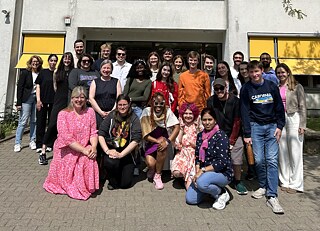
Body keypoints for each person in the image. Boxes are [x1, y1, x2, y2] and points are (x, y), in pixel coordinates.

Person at [240, 60, 285, 214]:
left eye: (257, 71)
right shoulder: (246, 88)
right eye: (251, 72)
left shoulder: (271, 86)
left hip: (272, 126)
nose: (254, 75)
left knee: (272, 160)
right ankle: (263, 185)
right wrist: (247, 134)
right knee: (259, 160)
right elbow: (244, 111)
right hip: (255, 127)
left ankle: (272, 195)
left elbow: (279, 106)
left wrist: (280, 126)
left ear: (261, 71)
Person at [43, 86, 99, 200]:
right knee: (83, 157)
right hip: (66, 148)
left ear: (86, 99)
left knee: (89, 158)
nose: (79, 100)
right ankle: (75, 186)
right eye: (76, 97)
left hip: (84, 145)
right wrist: (83, 150)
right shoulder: (63, 114)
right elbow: (66, 138)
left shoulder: (90, 112)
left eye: (82, 97)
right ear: (72, 99)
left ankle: (88, 187)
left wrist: (93, 147)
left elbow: (93, 132)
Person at [185, 107, 233, 210]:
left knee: (202, 183)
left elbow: (222, 162)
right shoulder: (200, 136)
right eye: (204, 120)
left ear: (215, 120)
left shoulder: (221, 136)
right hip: (204, 172)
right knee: (190, 199)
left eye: (210, 119)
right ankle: (211, 190)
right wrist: (197, 170)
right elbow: (197, 156)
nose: (207, 123)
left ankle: (222, 193)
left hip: (222, 172)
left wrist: (202, 171)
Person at [207, 78, 248, 195]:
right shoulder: (210, 101)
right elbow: (211, 119)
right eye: (216, 89)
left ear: (226, 88)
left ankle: (238, 181)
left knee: (236, 158)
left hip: (234, 133)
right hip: (218, 133)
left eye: (221, 88)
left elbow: (237, 122)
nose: (219, 91)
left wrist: (231, 141)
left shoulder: (235, 101)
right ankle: (218, 179)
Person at [98, 95, 142, 190]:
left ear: (129, 104)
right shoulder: (111, 116)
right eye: (120, 105)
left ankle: (125, 170)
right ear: (117, 105)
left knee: (125, 184)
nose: (122, 107)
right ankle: (111, 179)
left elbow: (136, 140)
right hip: (112, 150)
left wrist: (121, 154)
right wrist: (107, 151)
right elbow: (101, 134)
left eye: (125, 105)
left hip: (127, 152)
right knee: (111, 164)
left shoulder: (134, 118)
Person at [276, 63, 306, 193]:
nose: (281, 75)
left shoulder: (297, 86)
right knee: (282, 151)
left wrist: (303, 125)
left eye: (283, 72)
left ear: (288, 72)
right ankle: (285, 180)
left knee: (295, 151)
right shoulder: (276, 87)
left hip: (294, 117)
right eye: (278, 73)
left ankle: (296, 183)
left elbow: (303, 106)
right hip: (280, 118)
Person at [140, 92, 180, 190]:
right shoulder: (147, 112)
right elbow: (145, 134)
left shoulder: (167, 111)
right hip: (150, 140)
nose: (158, 106)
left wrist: (168, 141)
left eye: (161, 103)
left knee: (162, 146)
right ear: (152, 102)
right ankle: (152, 169)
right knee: (151, 163)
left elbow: (177, 126)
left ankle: (158, 175)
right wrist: (156, 141)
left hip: (163, 138)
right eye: (156, 103)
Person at [40, 52, 75, 161]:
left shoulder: (74, 72)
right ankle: (43, 150)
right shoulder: (57, 72)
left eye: (69, 59)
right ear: (62, 59)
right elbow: (55, 87)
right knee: (52, 125)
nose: (67, 60)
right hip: (59, 101)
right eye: (65, 58)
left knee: (68, 127)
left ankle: (66, 151)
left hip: (70, 102)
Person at [14, 55, 43, 152]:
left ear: (39, 63)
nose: (35, 63)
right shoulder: (25, 73)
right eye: (33, 61)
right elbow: (20, 88)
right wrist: (19, 103)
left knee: (34, 120)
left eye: (37, 62)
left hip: (37, 98)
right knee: (23, 120)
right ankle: (17, 143)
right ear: (30, 63)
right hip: (26, 99)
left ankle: (32, 140)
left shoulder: (41, 73)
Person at [171, 103, 202, 189]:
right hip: (183, 153)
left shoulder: (197, 125)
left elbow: (203, 143)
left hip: (194, 154)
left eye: (190, 113)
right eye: (186, 113)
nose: (188, 116)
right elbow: (177, 144)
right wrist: (181, 129)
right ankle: (183, 178)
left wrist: (195, 145)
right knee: (177, 172)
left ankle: (189, 180)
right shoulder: (180, 125)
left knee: (189, 188)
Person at [35, 54, 58, 164]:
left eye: (55, 61)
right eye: (51, 60)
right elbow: (38, 86)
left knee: (52, 124)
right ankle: (39, 144)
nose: (53, 62)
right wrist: (38, 100)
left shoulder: (57, 73)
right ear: (48, 61)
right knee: (41, 123)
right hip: (43, 101)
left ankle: (49, 144)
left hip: (54, 102)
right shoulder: (43, 72)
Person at [89, 60, 122, 127]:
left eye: (108, 68)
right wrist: (101, 112)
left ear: (111, 70)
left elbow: (119, 98)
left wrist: (112, 112)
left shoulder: (116, 81)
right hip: (98, 113)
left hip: (113, 113)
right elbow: (91, 98)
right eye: (104, 68)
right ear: (100, 69)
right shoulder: (95, 82)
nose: (106, 70)